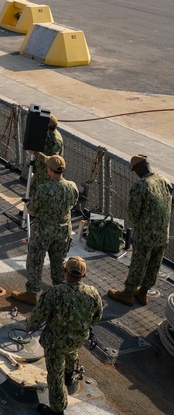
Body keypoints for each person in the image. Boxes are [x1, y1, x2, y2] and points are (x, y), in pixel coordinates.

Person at [26, 256, 103, 415]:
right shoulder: (93, 293)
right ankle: (70, 373)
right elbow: (97, 318)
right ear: (84, 275)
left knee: (55, 376)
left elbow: (37, 317)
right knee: (71, 351)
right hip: (78, 339)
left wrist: (29, 327)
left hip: (56, 343)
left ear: (65, 272)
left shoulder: (54, 293)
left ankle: (57, 409)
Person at [11, 155, 79, 306]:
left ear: (49, 169)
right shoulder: (72, 187)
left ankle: (32, 293)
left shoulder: (44, 189)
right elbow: (73, 204)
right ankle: (59, 293)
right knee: (59, 262)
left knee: (35, 260)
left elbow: (31, 211)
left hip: (44, 230)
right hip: (63, 230)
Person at [107, 154, 173, 306]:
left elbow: (133, 214)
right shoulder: (164, 181)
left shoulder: (141, 186)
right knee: (154, 265)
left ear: (138, 168)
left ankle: (128, 293)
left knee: (138, 264)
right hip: (163, 235)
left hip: (145, 236)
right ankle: (143, 292)